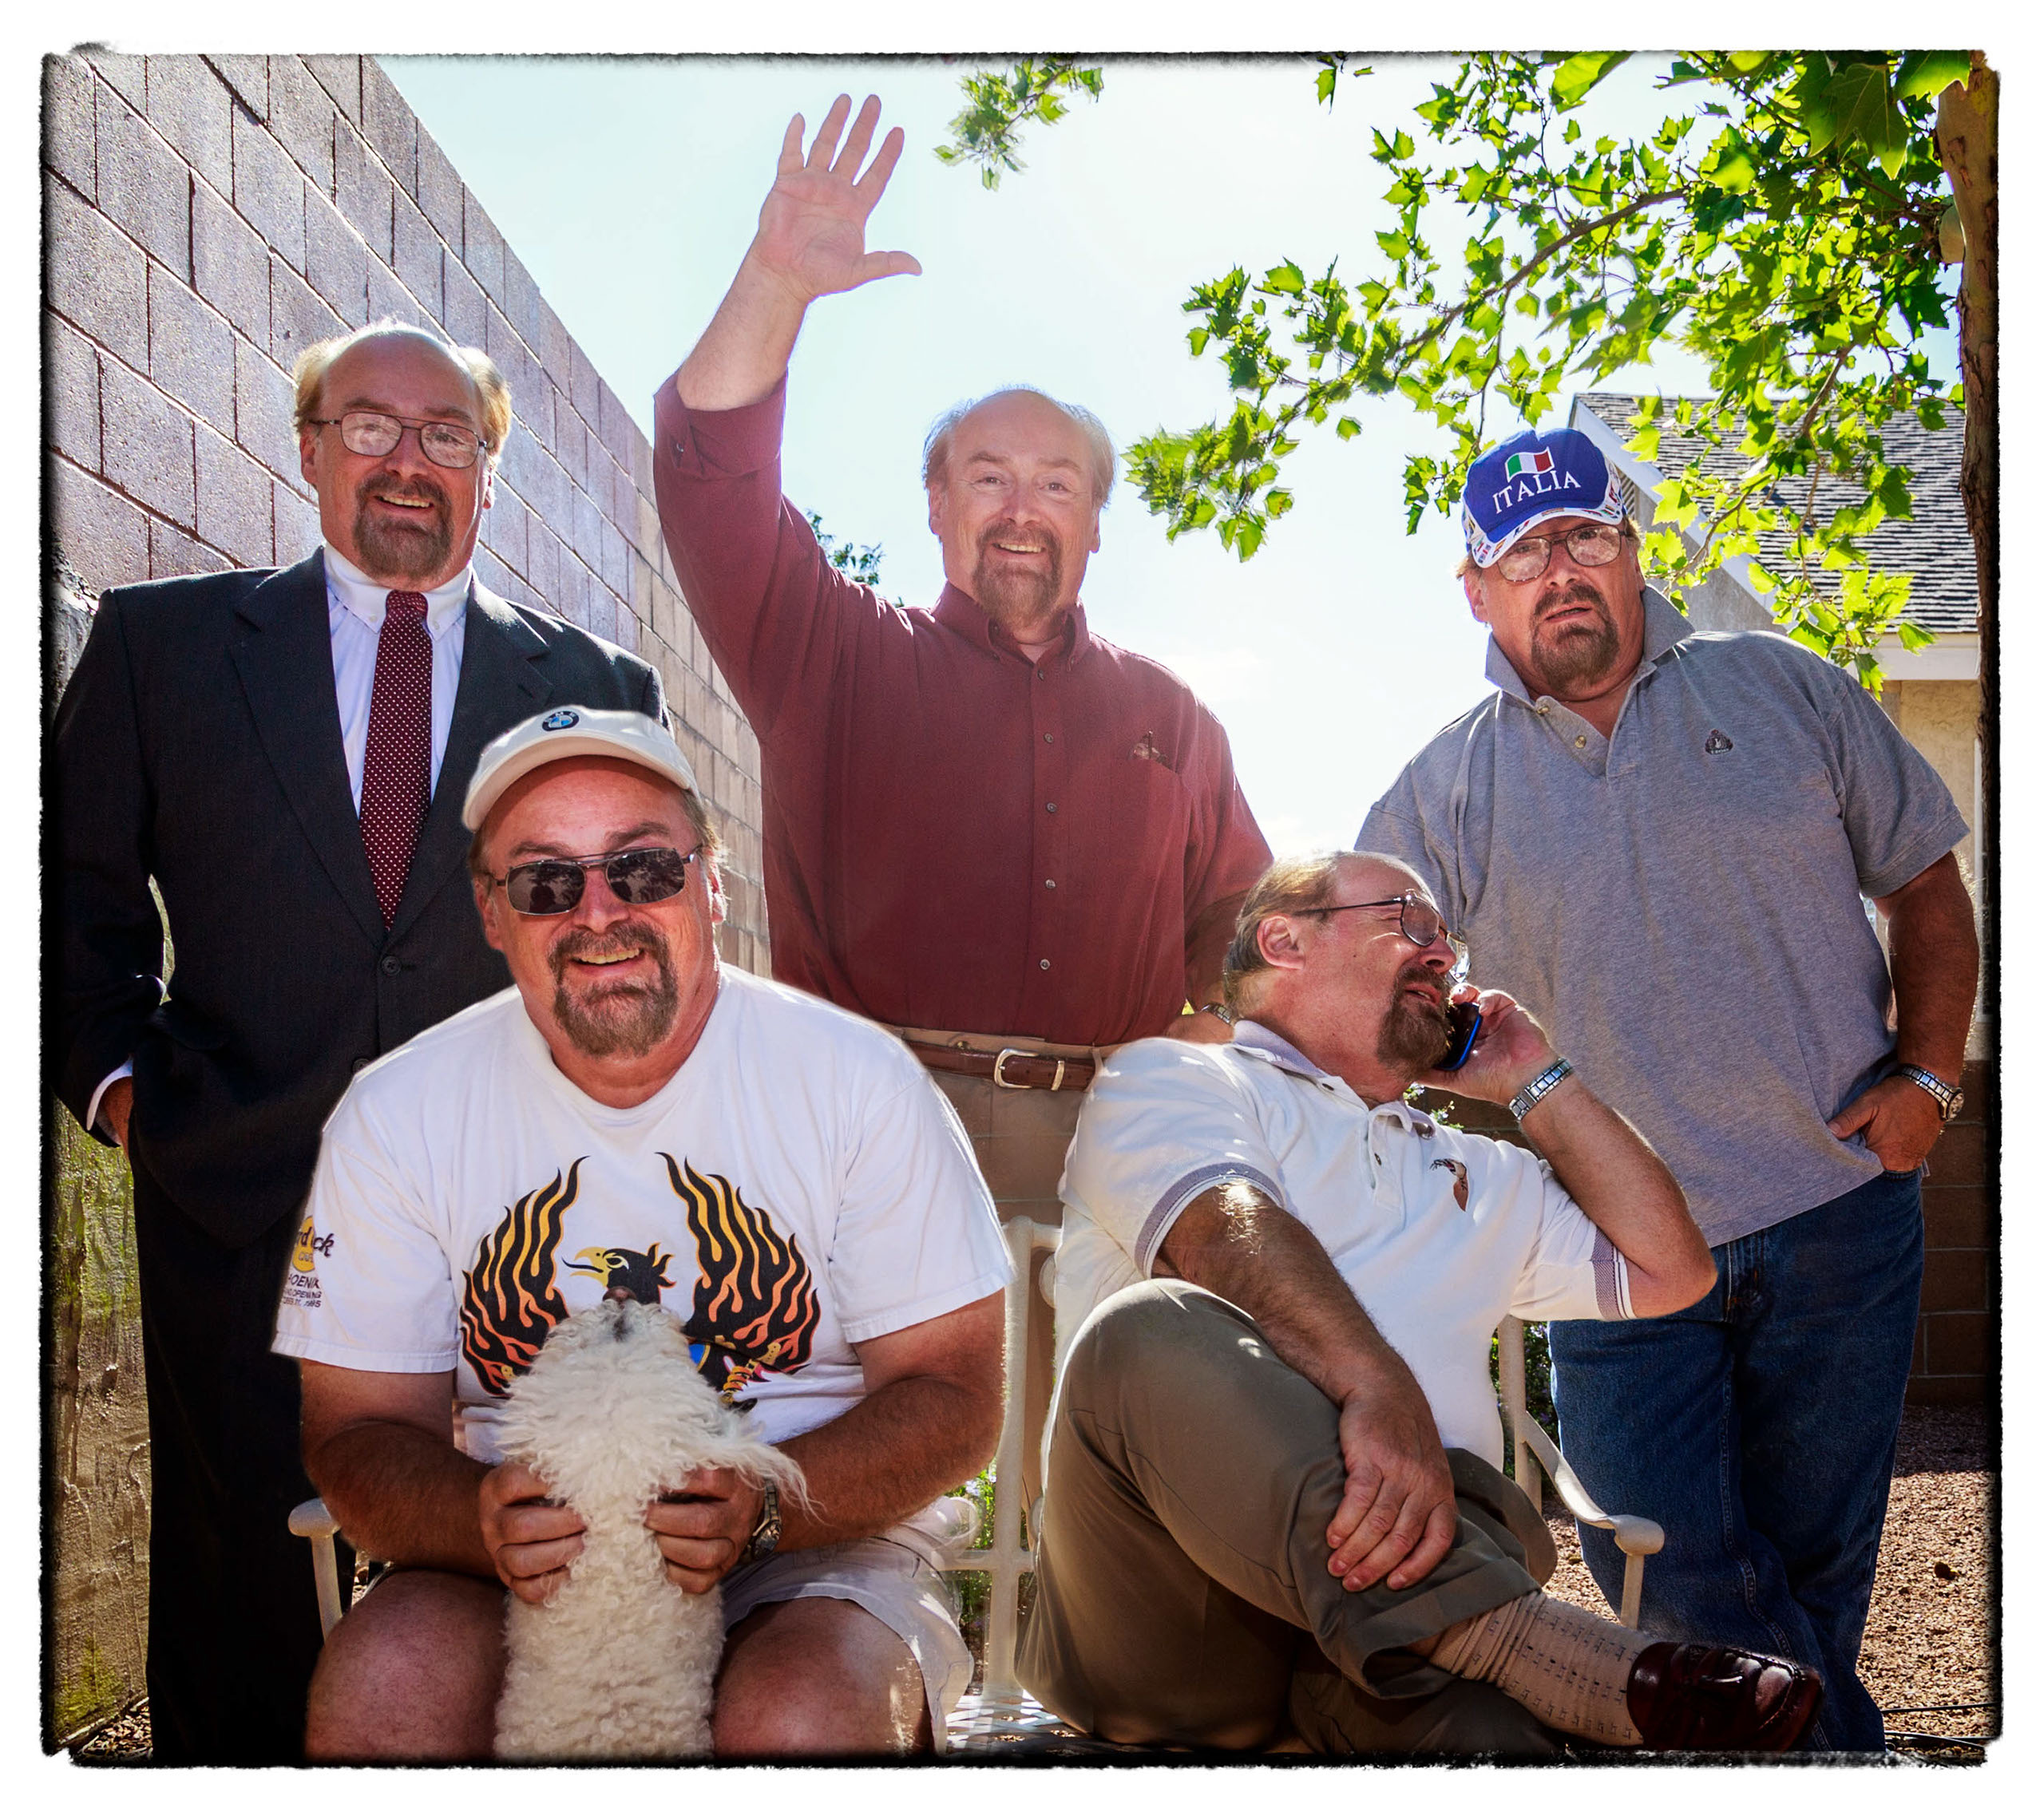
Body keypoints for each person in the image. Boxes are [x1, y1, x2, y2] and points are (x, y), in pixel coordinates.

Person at [51, 322, 665, 1762]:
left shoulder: (603, 693)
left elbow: (649, 953)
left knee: (533, 1600)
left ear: (487, 473)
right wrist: (134, 1100)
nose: (407, 460)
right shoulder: (161, 649)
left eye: (448, 434)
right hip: (242, 1213)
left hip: (527, 1228)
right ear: (311, 448)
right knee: (246, 1605)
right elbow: (69, 907)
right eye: (370, 424)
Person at [651, 96, 1272, 1470]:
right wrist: (777, 282)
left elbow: (1248, 925)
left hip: (1113, 1144)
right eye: (987, 476)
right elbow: (707, 486)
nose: (1020, 507)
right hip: (880, 1131)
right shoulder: (832, 656)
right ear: (934, 506)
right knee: (879, 1487)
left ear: (1095, 522)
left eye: (1055, 483)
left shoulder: (1174, 720)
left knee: (1093, 1491)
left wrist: (1205, 1033)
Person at [1359, 425, 1979, 1752]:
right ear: (1477, 592)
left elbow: (1928, 879)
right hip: (1610, 1253)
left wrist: (1930, 1078)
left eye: (1584, 533)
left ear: (1633, 550)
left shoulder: (1784, 688)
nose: (1560, 568)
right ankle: (1847, 1762)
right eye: (1522, 552)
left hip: (1837, 1217)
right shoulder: (1440, 793)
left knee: (1818, 1577)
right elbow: (1367, 990)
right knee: (1665, 1576)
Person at [274, 707, 1010, 1758]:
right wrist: (478, 1518)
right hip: (507, 1557)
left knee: (799, 1719)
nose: (599, 911)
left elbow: (957, 1398)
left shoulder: (858, 1084)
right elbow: (355, 1431)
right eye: (545, 881)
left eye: (644, 869)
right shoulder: (398, 1111)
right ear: (492, 912)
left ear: (711, 884)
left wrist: (766, 1506)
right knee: (385, 1689)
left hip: (816, 1543)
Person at [1020, 850, 1823, 1755]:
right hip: (1181, 1627)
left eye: (1449, 943)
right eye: (1407, 919)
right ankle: (1518, 1640)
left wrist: (1535, 1076)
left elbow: (1674, 1271)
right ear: (1283, 940)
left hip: (1403, 1629)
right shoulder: (1173, 1079)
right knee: (1143, 1329)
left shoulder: (1481, 1169)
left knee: (1493, 1739)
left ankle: (1493, 1643)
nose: (1442, 955)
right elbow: (1218, 1230)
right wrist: (1378, 1387)